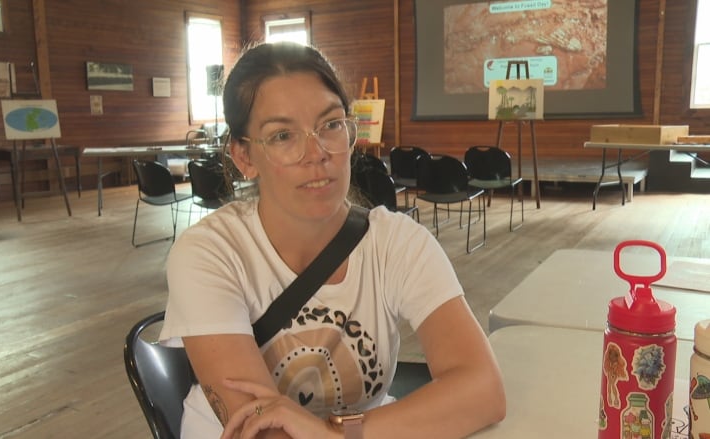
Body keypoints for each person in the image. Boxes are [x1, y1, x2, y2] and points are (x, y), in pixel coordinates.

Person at [159, 41, 505, 439]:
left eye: (330, 125)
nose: (316, 152)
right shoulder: (210, 252)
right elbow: (261, 433)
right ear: (244, 157)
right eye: (283, 135)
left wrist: (339, 433)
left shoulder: (396, 243)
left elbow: (484, 390)